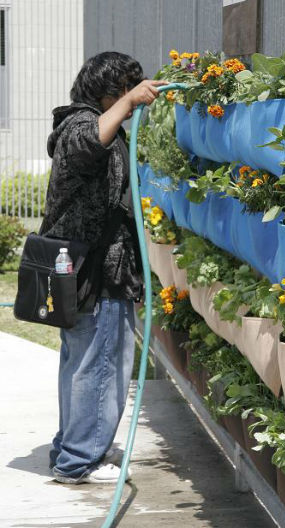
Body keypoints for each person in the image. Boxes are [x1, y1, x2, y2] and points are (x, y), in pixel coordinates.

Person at [40, 51, 167, 484]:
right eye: (125, 88)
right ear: (107, 91)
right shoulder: (80, 126)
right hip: (95, 270)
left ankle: (72, 447)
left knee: (81, 363)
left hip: (81, 269)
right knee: (100, 364)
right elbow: (90, 142)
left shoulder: (82, 123)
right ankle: (81, 460)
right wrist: (129, 102)